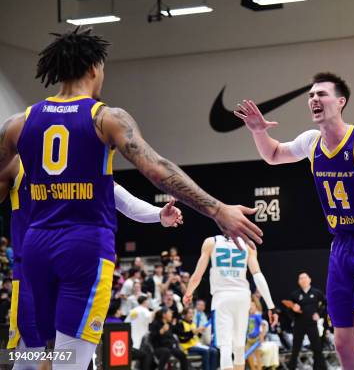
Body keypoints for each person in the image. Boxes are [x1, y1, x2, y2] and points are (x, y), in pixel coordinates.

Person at [0, 27, 263, 370]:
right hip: (82, 245)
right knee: (72, 361)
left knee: (46, 357)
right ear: (94, 68)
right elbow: (157, 169)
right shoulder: (105, 117)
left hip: (35, 246)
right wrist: (217, 209)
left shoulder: (20, 123)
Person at [234, 72, 354, 369]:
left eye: (321, 94)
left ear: (340, 101)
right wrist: (258, 130)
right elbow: (272, 154)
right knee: (343, 343)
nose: (314, 99)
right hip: (341, 245)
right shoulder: (311, 142)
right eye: (311, 95)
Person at [0, 154, 182, 363]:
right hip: (33, 275)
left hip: (76, 269)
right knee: (30, 360)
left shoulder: (85, 159)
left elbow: (125, 202)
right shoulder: (18, 161)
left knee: (77, 358)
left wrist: (158, 214)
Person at [183, 234, 277, 370]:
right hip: (242, 296)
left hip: (222, 297)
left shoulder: (211, 242)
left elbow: (198, 275)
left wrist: (188, 293)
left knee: (225, 345)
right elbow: (258, 276)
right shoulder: (248, 244)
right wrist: (271, 306)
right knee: (239, 345)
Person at [287, 272, 327, 370]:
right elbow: (288, 309)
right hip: (299, 324)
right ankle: (291, 367)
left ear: (309, 280)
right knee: (295, 349)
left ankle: (320, 368)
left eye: (305, 278)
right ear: (298, 281)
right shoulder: (295, 295)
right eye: (301, 278)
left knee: (317, 348)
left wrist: (319, 314)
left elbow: (326, 304)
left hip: (312, 324)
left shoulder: (316, 293)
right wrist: (293, 309)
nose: (303, 280)